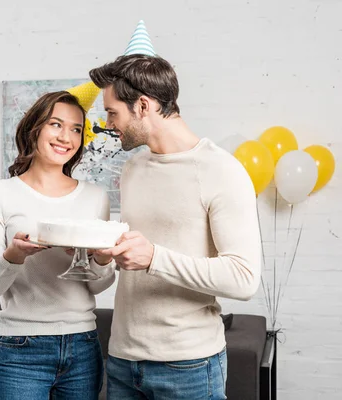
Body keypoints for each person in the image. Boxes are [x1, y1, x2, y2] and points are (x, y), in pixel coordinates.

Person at [88, 54, 262, 399]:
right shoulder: (133, 168)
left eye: (112, 112)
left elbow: (244, 278)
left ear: (142, 105)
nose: (108, 124)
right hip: (122, 360)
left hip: (189, 366)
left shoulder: (220, 170)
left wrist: (154, 257)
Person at [0, 90, 116, 400]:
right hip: (21, 346)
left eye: (76, 129)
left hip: (83, 344)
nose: (66, 136)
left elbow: (97, 286)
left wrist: (102, 261)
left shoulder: (95, 198)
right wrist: (13, 255)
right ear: (34, 128)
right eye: (56, 124)